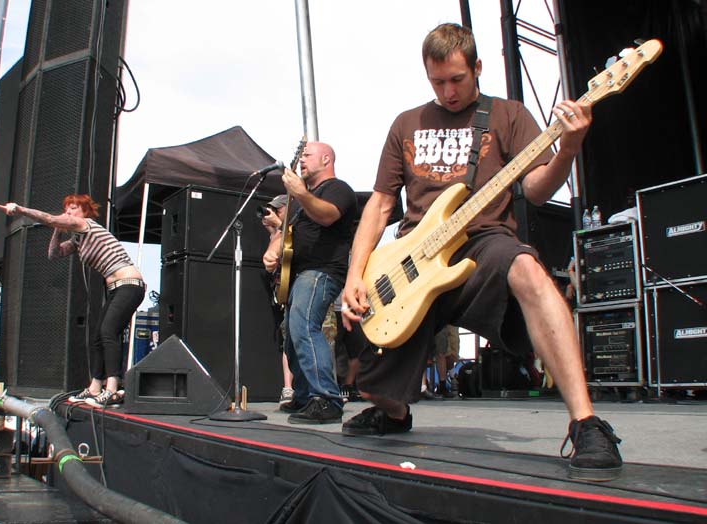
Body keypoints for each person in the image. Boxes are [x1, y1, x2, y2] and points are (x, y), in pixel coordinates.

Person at [340, 23, 622, 481]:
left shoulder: (508, 115)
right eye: (437, 82)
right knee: (374, 386)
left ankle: (587, 423)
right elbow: (380, 204)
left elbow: (536, 189)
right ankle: (394, 413)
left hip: (483, 241)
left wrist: (568, 146)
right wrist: (356, 274)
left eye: (457, 79)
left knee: (528, 269)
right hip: (411, 260)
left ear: (477, 68)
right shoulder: (406, 123)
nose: (448, 92)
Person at [0, 195, 145, 407]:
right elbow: (54, 254)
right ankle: (95, 388)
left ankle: (112, 389)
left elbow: (49, 218)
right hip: (116, 289)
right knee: (98, 337)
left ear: (85, 211)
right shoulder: (77, 239)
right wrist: (58, 228)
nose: (68, 212)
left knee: (108, 332)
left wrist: (20, 209)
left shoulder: (85, 224)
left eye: (73, 208)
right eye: (66, 209)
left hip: (130, 284)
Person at [262, 141, 356, 424]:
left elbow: (327, 216)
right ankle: (304, 396)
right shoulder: (302, 203)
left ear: (326, 159)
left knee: (304, 326)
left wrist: (301, 193)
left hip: (322, 270)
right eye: (301, 155)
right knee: (292, 336)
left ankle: (326, 398)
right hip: (298, 274)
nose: (302, 160)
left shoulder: (338, 189)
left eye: (308, 155)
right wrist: (273, 251)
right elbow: (287, 232)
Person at [260, 194, 296, 406]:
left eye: (277, 210)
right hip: (285, 293)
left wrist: (280, 225)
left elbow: (293, 238)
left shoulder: (293, 226)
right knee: (288, 338)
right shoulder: (276, 234)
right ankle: (288, 388)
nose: (273, 213)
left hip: (301, 287)